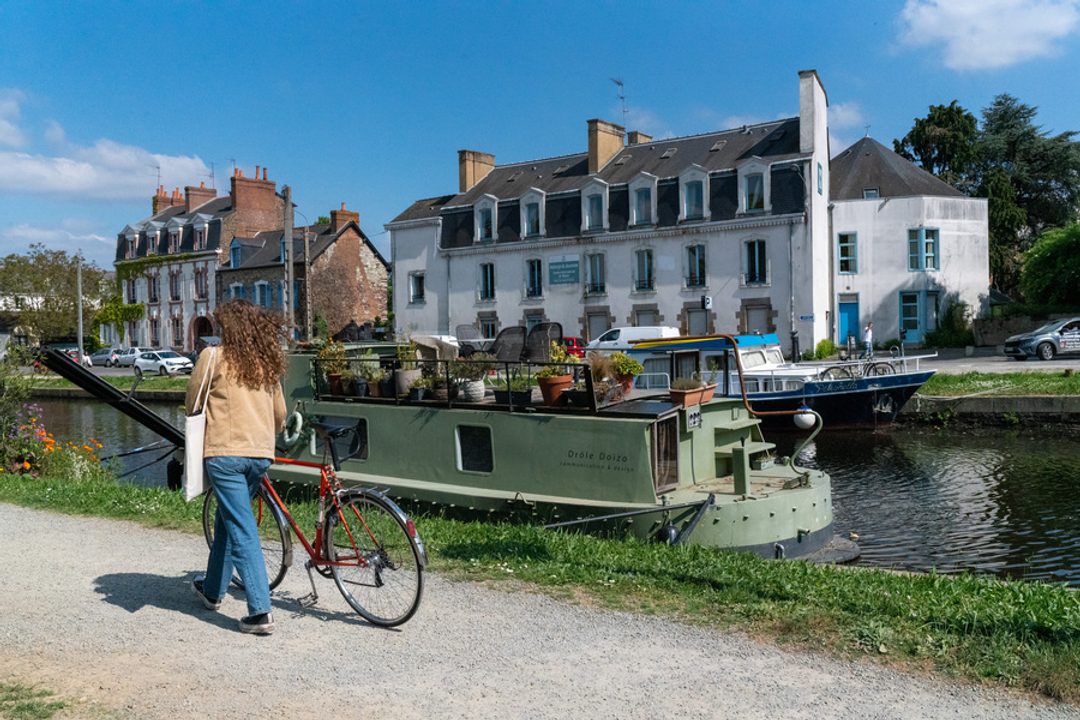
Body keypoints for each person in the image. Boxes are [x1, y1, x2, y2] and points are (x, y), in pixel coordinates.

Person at [187, 300, 286, 635]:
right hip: (259, 454)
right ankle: (213, 590)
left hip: (225, 455)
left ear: (226, 328)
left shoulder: (212, 357)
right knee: (228, 521)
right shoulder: (265, 364)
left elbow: (193, 402)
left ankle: (260, 612)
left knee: (242, 528)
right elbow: (280, 415)